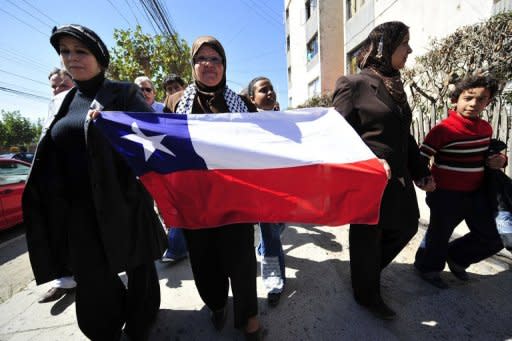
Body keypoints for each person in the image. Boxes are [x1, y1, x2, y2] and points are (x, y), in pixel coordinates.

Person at [22, 24, 167, 340]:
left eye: (80, 51)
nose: (71, 58)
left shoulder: (124, 93)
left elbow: (157, 141)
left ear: (100, 57)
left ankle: (140, 323)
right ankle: (106, 326)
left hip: (123, 204)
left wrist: (117, 129)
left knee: (139, 271)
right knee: (92, 280)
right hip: (77, 213)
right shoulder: (60, 102)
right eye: (65, 51)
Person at [332, 21, 434, 320]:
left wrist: (420, 171)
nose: (410, 50)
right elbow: (337, 134)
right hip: (368, 178)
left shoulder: (395, 84)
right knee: (368, 235)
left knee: (407, 226)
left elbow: (405, 135)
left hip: (399, 177)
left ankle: (365, 273)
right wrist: (367, 162)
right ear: (385, 46)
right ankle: (367, 293)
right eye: (405, 43)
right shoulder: (353, 84)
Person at [165, 35, 262, 340]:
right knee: (205, 262)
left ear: (224, 64)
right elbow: (157, 142)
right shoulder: (175, 102)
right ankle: (217, 304)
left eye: (215, 59)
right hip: (196, 203)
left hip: (235, 201)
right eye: (201, 59)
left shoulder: (242, 103)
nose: (208, 64)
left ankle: (249, 318)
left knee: (243, 262)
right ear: (192, 64)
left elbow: (263, 143)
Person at [414, 74, 505, 288]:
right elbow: (421, 157)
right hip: (445, 194)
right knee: (439, 233)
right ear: (456, 99)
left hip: (477, 193)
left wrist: (500, 160)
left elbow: (487, 156)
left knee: (494, 235)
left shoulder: (485, 129)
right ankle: (427, 268)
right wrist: (424, 178)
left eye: (481, 99)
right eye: (468, 98)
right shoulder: (443, 130)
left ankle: (457, 257)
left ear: (488, 103)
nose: (473, 104)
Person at [37, 67, 77, 304]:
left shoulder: (88, 106)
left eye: (62, 85)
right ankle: (63, 280)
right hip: (57, 188)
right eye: (53, 86)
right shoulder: (50, 112)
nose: (57, 90)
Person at [247, 76, 286, 307]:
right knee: (271, 236)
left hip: (286, 189)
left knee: (279, 227)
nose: (269, 92)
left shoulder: (286, 120)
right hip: (263, 192)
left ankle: (262, 248)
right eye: (263, 90)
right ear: (253, 99)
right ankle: (274, 282)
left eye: (271, 88)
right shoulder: (248, 124)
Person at [160, 74, 189, 264]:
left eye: (175, 88)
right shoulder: (164, 109)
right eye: (169, 90)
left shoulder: (191, 99)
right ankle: (177, 247)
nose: (173, 93)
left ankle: (177, 247)